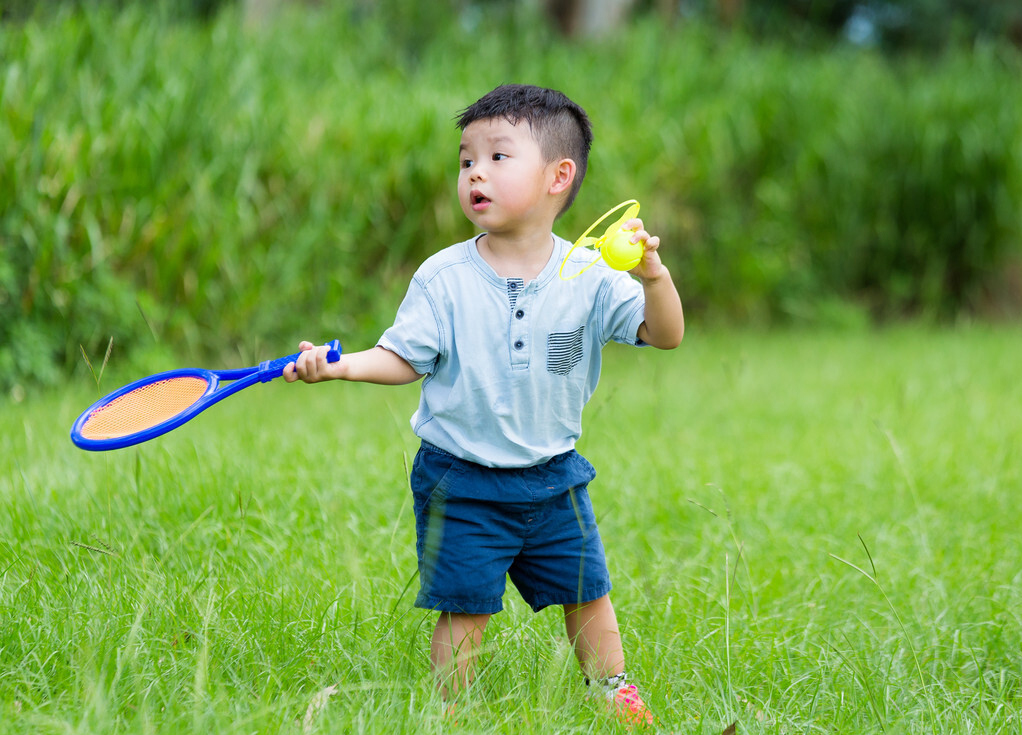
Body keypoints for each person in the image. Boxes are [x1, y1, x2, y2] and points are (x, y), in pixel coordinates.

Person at [285, 83, 684, 727]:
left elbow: (666, 335)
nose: (475, 172)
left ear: (560, 176)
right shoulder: (443, 278)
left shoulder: (589, 276)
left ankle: (614, 691)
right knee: (464, 603)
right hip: (462, 478)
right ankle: (453, 711)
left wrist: (654, 278)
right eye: (467, 159)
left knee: (588, 593)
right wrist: (340, 366)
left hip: (555, 476)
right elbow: (404, 358)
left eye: (499, 157)